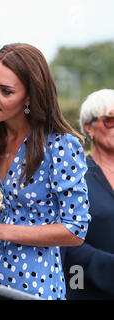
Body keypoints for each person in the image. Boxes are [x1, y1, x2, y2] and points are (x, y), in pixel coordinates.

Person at [0, 43, 91, 300]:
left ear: (29, 97)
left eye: (6, 91)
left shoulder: (60, 145)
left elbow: (75, 230)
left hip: (36, 286)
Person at [62, 89, 114, 299]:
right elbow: (67, 239)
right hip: (88, 290)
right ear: (88, 127)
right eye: (110, 119)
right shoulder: (74, 175)